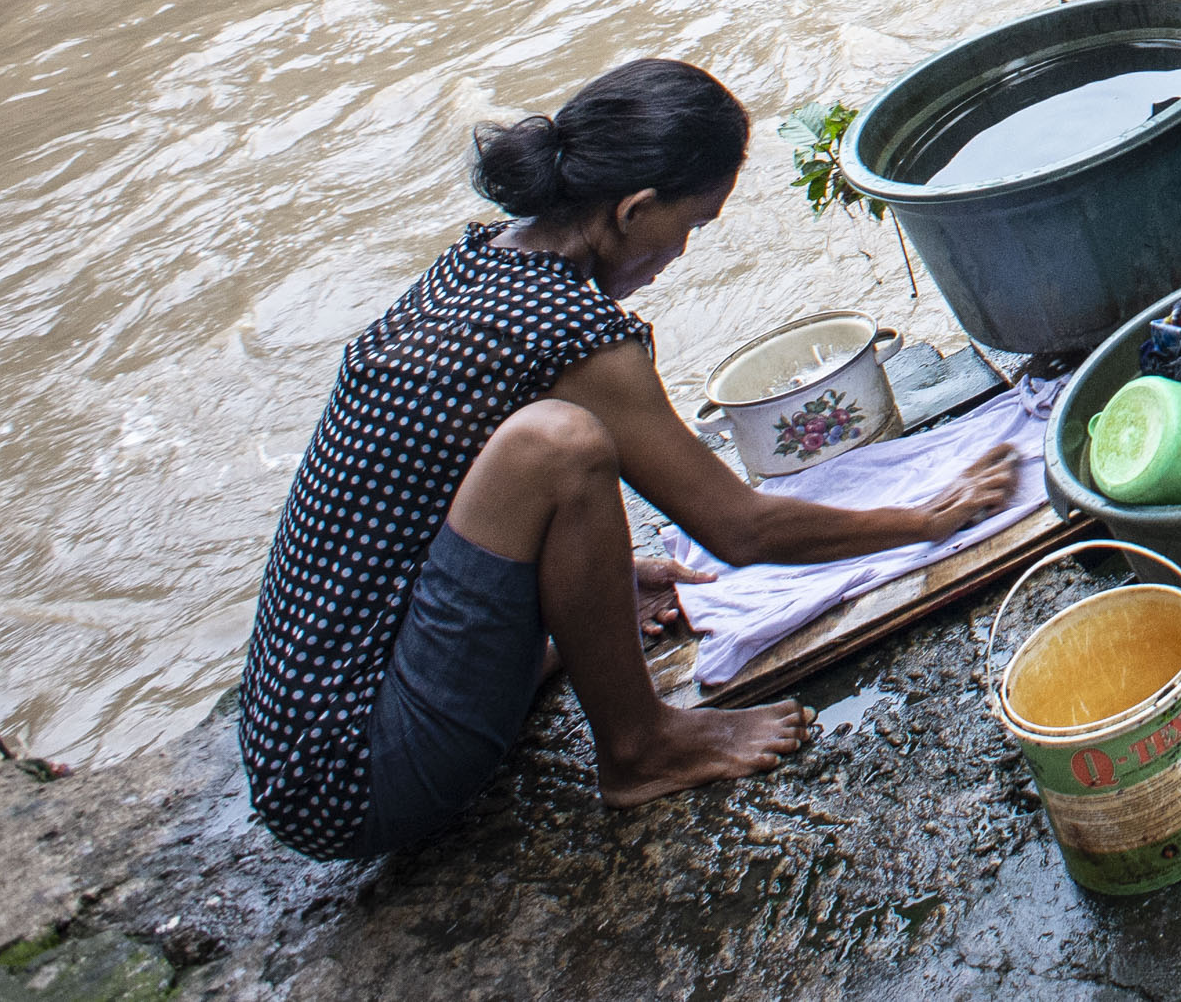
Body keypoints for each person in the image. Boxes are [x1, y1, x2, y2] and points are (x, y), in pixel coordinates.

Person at [239, 59, 1017, 862]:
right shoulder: (568, 328)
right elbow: (739, 528)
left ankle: (565, 662)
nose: (679, 252)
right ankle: (642, 745)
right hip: (359, 774)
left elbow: (434, 511)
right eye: (690, 225)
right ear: (634, 209)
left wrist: (602, 576)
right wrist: (925, 519)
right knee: (560, 443)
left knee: (551, 445)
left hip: (298, 748)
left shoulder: (477, 265)